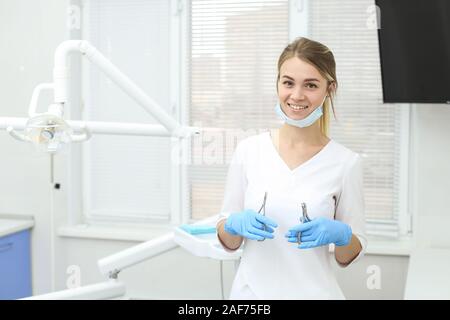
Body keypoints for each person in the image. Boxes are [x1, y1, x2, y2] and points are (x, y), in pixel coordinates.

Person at [216, 37, 367, 299]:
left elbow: (348, 255)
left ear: (329, 89)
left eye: (310, 85)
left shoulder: (345, 163)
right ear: (277, 84)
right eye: (288, 83)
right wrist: (231, 225)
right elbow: (230, 243)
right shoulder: (249, 151)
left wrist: (343, 236)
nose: (296, 95)